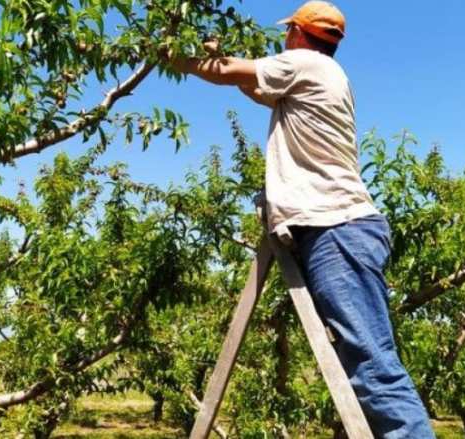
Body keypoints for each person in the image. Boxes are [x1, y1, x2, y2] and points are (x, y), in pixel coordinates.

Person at [167, 2, 436, 438]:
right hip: (338, 229)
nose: (284, 40)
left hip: (337, 229)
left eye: (287, 32)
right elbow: (254, 88)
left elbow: (226, 72)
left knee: (373, 366)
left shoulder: (305, 63)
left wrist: (169, 55)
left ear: (297, 33)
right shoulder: (321, 75)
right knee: (367, 361)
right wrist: (219, 58)